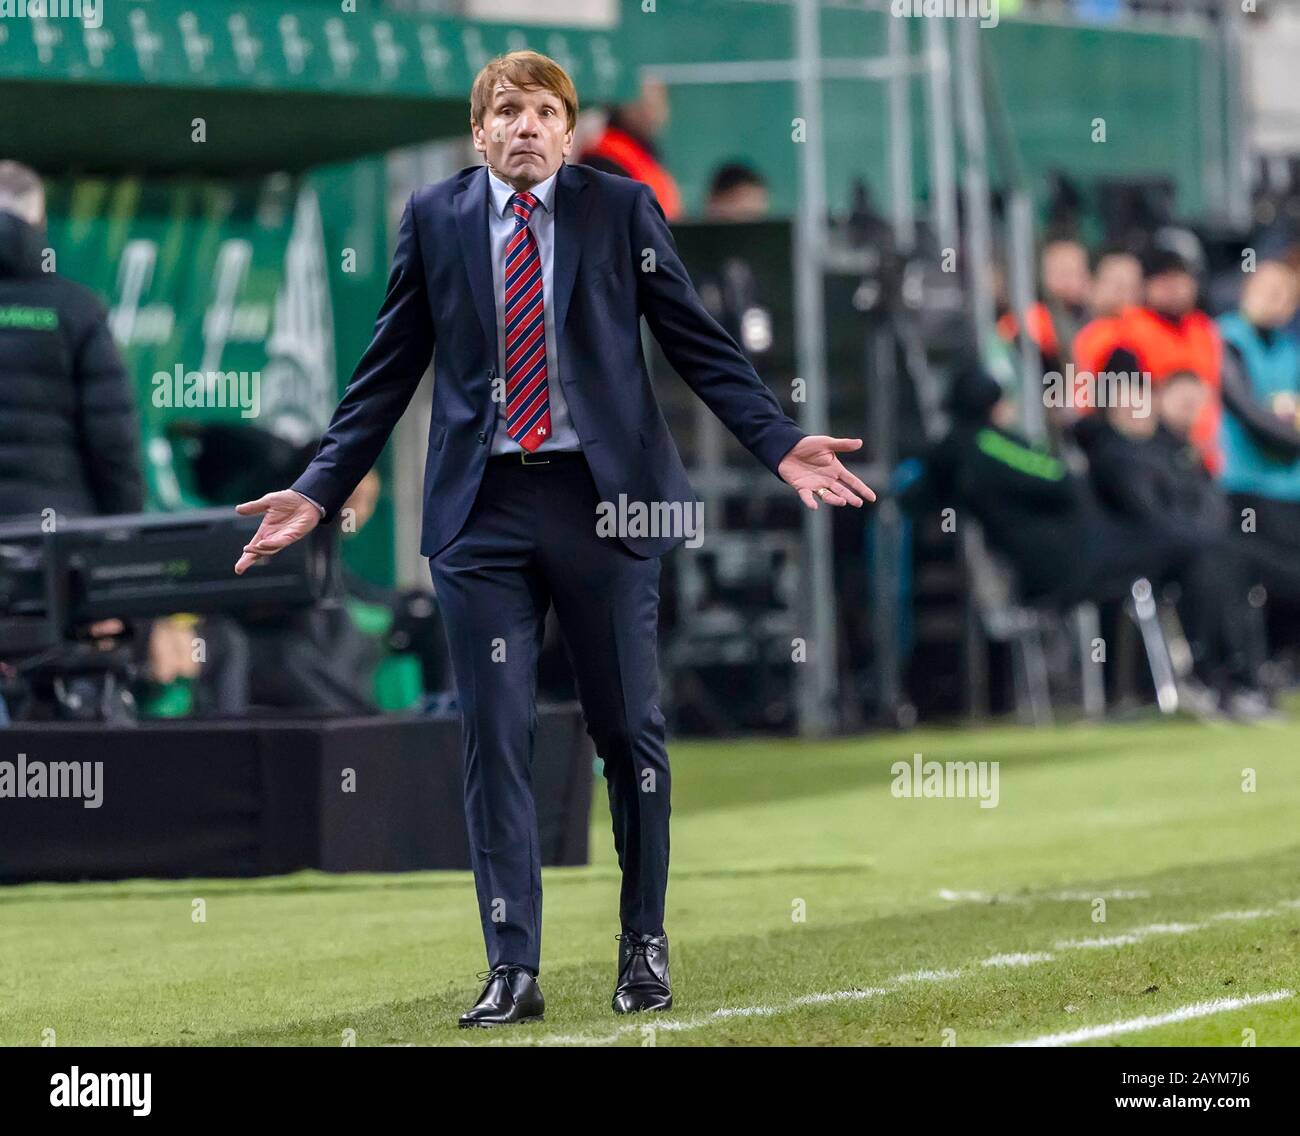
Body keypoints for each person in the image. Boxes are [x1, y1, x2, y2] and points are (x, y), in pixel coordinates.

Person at [231, 50, 873, 1027]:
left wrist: (778, 442)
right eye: (506, 111)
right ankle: (511, 965)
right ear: (478, 132)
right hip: (479, 510)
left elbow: (698, 341)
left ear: (568, 134)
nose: (525, 126)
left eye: (543, 111)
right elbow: (385, 371)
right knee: (494, 733)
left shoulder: (618, 210)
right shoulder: (436, 221)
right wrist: (318, 490)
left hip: (602, 504)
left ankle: (643, 945)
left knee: (628, 732)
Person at [0, 160, 144, 521]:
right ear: (39, 222)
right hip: (54, 538)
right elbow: (112, 439)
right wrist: (122, 522)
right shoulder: (77, 307)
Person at [577, 77, 683, 220]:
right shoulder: (604, 155)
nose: (654, 110)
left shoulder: (646, 153)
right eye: (643, 99)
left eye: (659, 97)